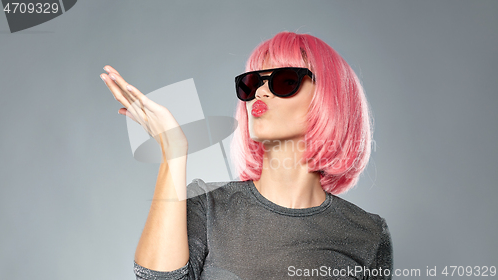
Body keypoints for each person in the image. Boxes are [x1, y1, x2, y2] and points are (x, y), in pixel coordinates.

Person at [100, 31, 393, 279]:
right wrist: (173, 151)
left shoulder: (368, 233)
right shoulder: (206, 206)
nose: (260, 93)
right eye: (252, 83)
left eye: (285, 81)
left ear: (331, 98)